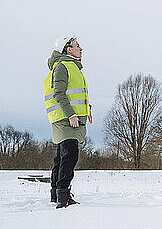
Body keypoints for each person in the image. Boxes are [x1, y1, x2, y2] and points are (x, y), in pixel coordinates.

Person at [43, 36, 91, 209]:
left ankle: (56, 194)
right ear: (68, 49)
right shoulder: (63, 67)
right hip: (67, 119)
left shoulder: (70, 67)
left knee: (62, 156)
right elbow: (59, 93)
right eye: (77, 46)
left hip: (66, 118)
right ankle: (63, 195)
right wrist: (71, 115)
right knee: (70, 156)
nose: (81, 48)